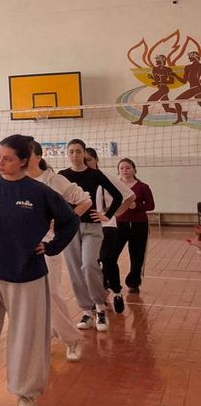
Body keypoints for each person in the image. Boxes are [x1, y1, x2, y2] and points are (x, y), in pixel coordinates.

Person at [0, 134, 79, 406]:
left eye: (8, 158)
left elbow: (70, 220)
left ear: (24, 161)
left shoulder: (40, 192)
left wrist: (51, 246)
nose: (0, 162)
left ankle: (26, 393)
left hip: (27, 274)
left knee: (28, 336)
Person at [27, 140, 92, 362]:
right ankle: (44, 334)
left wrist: (65, 222)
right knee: (29, 296)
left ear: (38, 157)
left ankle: (71, 339)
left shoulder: (53, 180)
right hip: (21, 247)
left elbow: (84, 200)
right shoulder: (17, 180)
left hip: (47, 246)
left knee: (51, 293)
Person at [59, 139, 122, 332]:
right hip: (70, 228)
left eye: (78, 151)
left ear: (84, 153)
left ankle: (100, 307)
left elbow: (118, 196)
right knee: (75, 269)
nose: (75, 155)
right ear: (67, 154)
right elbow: (53, 199)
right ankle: (87, 311)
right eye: (71, 151)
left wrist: (107, 215)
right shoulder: (62, 176)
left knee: (89, 265)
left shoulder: (94, 174)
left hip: (92, 227)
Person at [87, 148, 135, 315]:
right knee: (91, 263)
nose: (86, 163)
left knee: (107, 258)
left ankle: (116, 291)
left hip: (108, 225)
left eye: (89, 159)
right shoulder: (80, 179)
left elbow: (130, 196)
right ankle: (99, 294)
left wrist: (113, 214)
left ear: (96, 159)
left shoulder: (106, 177)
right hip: (88, 226)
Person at [105, 159, 155, 294]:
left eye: (127, 168)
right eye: (121, 168)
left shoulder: (143, 187)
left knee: (137, 255)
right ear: (118, 171)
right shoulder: (114, 186)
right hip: (119, 224)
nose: (124, 170)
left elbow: (151, 205)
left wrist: (136, 205)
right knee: (111, 254)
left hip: (139, 225)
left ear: (134, 169)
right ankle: (108, 280)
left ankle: (133, 283)